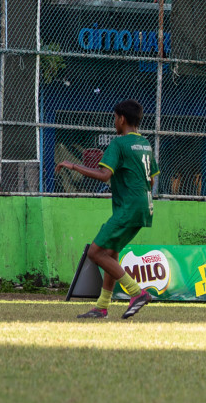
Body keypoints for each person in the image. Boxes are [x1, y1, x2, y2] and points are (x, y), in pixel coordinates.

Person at [56, 99, 159, 320]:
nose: (114, 122)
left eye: (114, 118)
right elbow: (150, 181)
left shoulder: (119, 144)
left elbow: (104, 175)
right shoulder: (146, 145)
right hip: (144, 207)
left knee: (95, 253)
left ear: (121, 119)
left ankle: (137, 293)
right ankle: (102, 307)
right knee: (111, 253)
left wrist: (73, 165)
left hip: (128, 208)